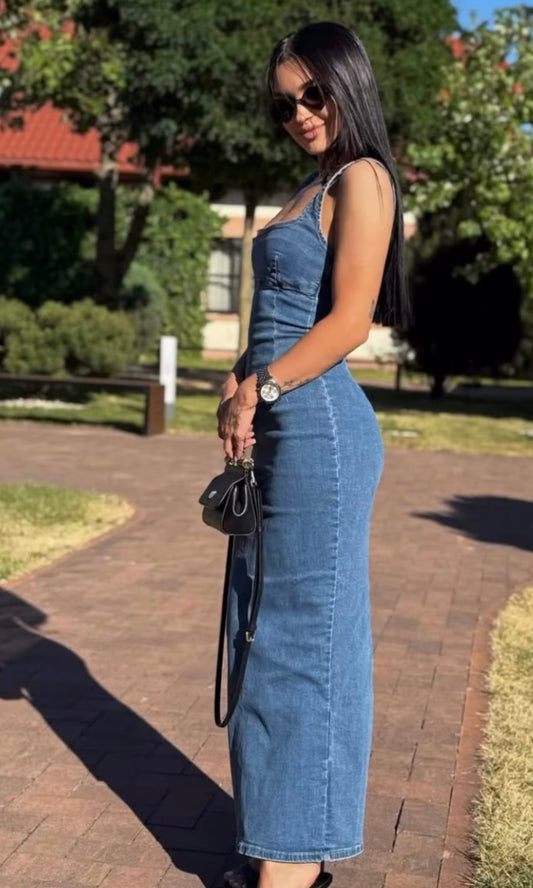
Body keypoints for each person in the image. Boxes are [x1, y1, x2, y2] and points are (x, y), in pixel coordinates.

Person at [216, 20, 408, 888]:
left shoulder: (363, 177)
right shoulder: (310, 184)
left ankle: (290, 869)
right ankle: (281, 847)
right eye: (284, 102)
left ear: (346, 86)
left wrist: (260, 387)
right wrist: (237, 378)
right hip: (278, 423)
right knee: (258, 633)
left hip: (319, 429)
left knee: (302, 642)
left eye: (314, 94)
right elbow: (277, 315)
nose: (298, 112)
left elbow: (349, 321)